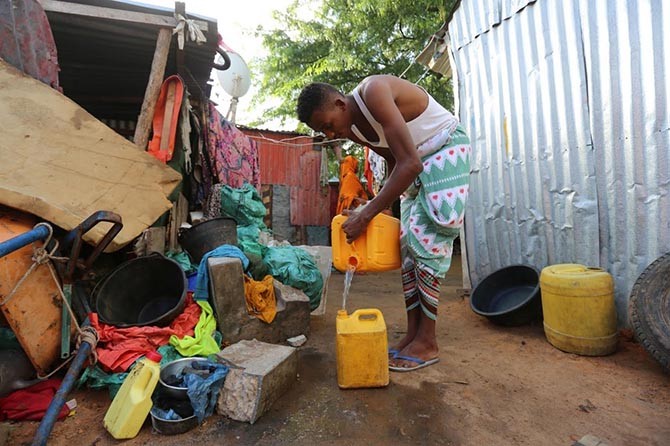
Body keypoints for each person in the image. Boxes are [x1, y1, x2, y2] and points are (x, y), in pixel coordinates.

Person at [297, 74, 471, 372]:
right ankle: (413, 335)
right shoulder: (351, 128)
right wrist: (379, 206)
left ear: (340, 103)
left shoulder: (374, 92)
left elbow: (410, 163)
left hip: (444, 147)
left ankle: (428, 342)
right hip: (414, 161)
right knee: (406, 246)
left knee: (427, 242)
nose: (328, 134)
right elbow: (393, 158)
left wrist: (367, 214)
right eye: (321, 131)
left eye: (326, 125)